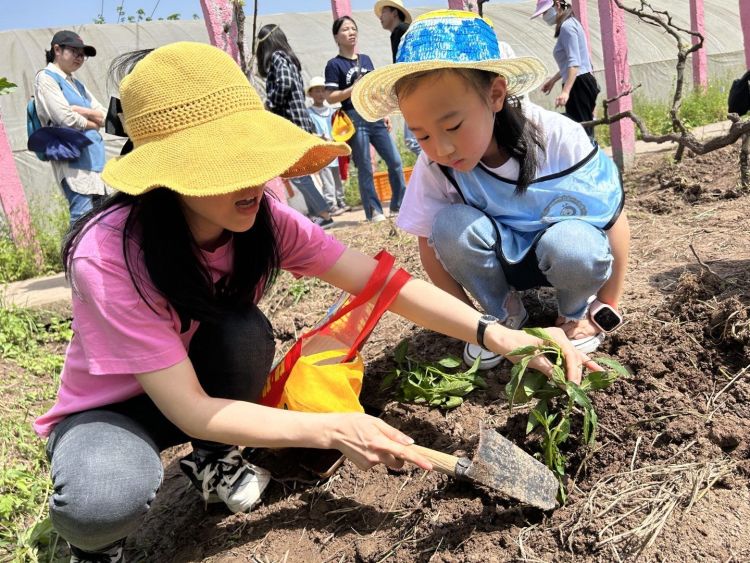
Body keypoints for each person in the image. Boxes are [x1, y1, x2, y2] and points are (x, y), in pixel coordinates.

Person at [34, 42, 594, 562]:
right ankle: (94, 546)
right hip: (116, 409)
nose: (253, 179)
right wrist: (335, 428)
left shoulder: (263, 219)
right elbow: (187, 407)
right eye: (222, 168)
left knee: (242, 330)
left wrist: (495, 333)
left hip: (199, 385)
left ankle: (212, 457)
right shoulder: (110, 255)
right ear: (166, 178)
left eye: (254, 157)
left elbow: (385, 286)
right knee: (101, 500)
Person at [352, 10, 630, 370]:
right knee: (449, 225)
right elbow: (430, 246)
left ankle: (573, 312)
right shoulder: (435, 167)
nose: (441, 148)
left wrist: (609, 301)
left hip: (563, 256)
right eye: (421, 135)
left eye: (452, 125)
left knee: (575, 244)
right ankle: (503, 313)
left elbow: (612, 217)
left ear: (496, 95)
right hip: (500, 264)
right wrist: (473, 327)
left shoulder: (558, 138)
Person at [325, 15, 407, 222]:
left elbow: (375, 91)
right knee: (365, 167)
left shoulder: (366, 59)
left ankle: (398, 206)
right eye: (345, 29)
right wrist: (354, 88)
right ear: (336, 36)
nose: (351, 32)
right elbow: (330, 96)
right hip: (353, 117)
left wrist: (384, 112)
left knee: (395, 162)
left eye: (353, 28)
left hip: (374, 115)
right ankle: (375, 211)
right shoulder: (334, 65)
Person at [256, 24, 334, 229]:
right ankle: (320, 214)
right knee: (301, 172)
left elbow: (284, 84)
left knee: (297, 172)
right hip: (300, 121)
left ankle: (324, 212)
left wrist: (268, 104)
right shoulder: (289, 59)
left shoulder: (277, 58)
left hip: (290, 123)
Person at [34, 30, 107, 226]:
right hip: (74, 164)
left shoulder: (77, 84)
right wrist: (93, 121)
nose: (80, 57)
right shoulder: (47, 78)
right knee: (82, 222)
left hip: (96, 163)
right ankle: (74, 258)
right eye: (75, 51)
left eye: (83, 54)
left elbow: (105, 115)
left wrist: (80, 110)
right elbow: (65, 118)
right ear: (57, 49)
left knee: (102, 224)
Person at [532, 0, 600, 139]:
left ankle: (591, 159)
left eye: (545, 11)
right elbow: (572, 62)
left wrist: (565, 91)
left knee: (582, 132)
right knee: (582, 129)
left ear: (557, 5)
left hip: (579, 84)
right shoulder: (571, 24)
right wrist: (553, 80)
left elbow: (575, 63)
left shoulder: (567, 27)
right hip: (581, 80)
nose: (544, 16)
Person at [375, 0, 421, 156]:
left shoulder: (402, 31)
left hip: (415, 89)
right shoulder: (399, 32)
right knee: (415, 139)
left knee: (413, 140)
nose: (380, 17)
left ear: (394, 13)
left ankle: (439, 169)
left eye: (383, 12)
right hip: (414, 89)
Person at [306, 76, 350, 214]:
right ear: (311, 94)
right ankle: (331, 204)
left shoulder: (332, 112)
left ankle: (341, 201)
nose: (320, 94)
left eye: (322, 90)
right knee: (327, 179)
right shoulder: (308, 113)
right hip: (322, 151)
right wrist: (320, 137)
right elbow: (308, 132)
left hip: (335, 150)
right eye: (316, 91)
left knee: (337, 176)